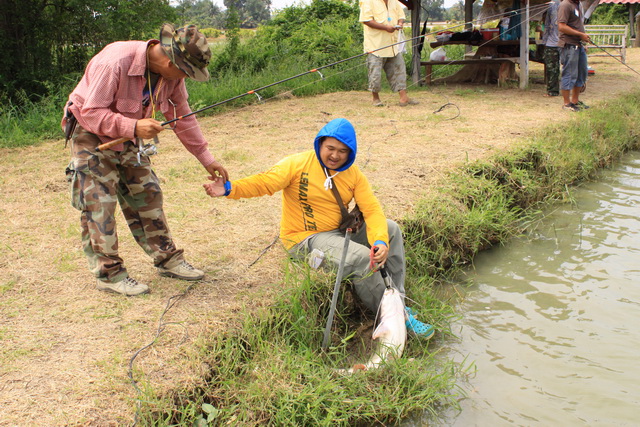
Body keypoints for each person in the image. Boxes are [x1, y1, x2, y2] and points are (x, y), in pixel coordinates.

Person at [203, 118, 435, 339]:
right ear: (320, 143)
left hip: (338, 232)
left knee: (391, 228)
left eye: (342, 151)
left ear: (350, 153)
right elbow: (265, 182)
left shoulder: (353, 174)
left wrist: (381, 241)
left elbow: (372, 210)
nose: (335, 155)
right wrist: (229, 188)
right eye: (330, 148)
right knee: (362, 259)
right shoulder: (296, 164)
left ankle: (398, 298)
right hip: (304, 239)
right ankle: (395, 317)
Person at [62, 23, 229, 296]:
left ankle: (168, 259)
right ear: (167, 59)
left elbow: (183, 116)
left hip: (129, 136)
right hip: (90, 134)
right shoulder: (115, 61)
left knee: (148, 194)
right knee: (98, 205)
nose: (185, 77)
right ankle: (109, 274)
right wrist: (133, 128)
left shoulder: (172, 77)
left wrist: (205, 157)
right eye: (185, 71)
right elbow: (91, 112)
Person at [358, 0, 418, 107]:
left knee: (400, 70)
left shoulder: (394, 1)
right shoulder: (368, 1)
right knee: (375, 73)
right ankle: (375, 99)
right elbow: (366, 20)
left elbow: (401, 15)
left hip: (393, 44)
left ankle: (404, 98)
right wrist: (386, 28)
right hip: (375, 45)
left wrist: (400, 23)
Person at [557, 0, 591, 111]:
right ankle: (567, 104)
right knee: (569, 74)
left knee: (581, 73)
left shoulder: (578, 4)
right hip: (568, 45)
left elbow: (577, 24)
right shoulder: (565, 5)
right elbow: (561, 26)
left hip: (579, 45)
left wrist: (583, 38)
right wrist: (580, 34)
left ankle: (575, 101)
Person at [542, 0, 561, 97]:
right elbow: (546, 24)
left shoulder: (574, 5)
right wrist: (545, 41)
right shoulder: (551, 5)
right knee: (551, 69)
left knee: (569, 67)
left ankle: (571, 89)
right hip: (551, 42)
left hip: (566, 42)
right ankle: (552, 91)